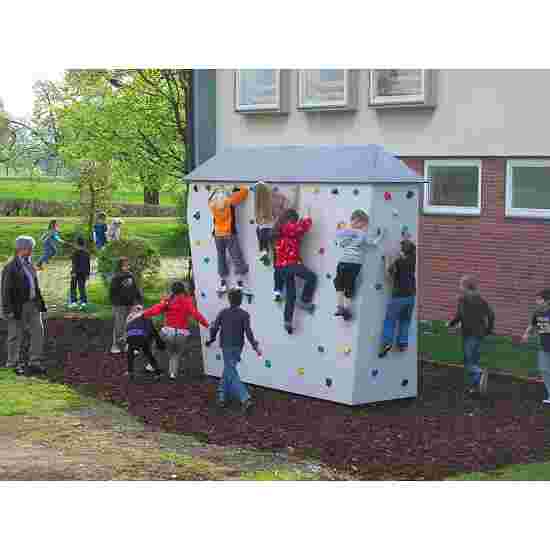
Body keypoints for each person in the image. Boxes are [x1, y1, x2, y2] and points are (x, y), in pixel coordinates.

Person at [205, 288, 261, 412]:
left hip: (226, 346)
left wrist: (211, 339)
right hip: (238, 347)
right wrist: (255, 346)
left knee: (230, 370)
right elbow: (249, 333)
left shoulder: (223, 312)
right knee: (229, 369)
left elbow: (214, 328)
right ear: (240, 300)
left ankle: (245, 398)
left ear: (229, 299)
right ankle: (222, 396)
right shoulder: (244, 314)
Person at [140, 281, 209, 380]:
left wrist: (143, 314)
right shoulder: (187, 301)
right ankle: (172, 374)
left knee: (155, 346)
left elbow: (156, 309)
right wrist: (206, 324)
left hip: (166, 332)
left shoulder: (168, 301)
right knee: (175, 354)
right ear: (183, 290)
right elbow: (196, 314)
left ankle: (150, 366)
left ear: (172, 290)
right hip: (181, 334)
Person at [1, 236, 47, 375]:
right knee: (15, 335)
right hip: (18, 306)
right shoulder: (10, 267)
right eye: (30, 248)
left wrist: (39, 302)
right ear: (22, 249)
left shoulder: (29, 263)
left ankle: (35, 361)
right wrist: (7, 309)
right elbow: (5, 290)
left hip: (33, 304)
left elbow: (34, 284)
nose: (32, 250)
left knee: (38, 331)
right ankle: (12, 363)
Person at [446, 274, 495, 396]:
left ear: (465, 286)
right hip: (480, 333)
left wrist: (451, 324)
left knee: (469, 361)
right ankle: (475, 388)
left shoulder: (463, 299)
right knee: (474, 359)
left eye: (460, 285)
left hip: (469, 333)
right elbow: (491, 315)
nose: (459, 287)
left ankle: (479, 373)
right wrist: (488, 330)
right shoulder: (481, 299)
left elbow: (460, 315)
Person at [334, 210, 385, 321]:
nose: (364, 226)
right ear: (359, 221)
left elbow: (341, 243)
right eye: (364, 223)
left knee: (343, 283)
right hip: (352, 263)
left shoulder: (355, 233)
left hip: (348, 262)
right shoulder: (356, 233)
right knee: (345, 283)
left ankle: (343, 307)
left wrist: (380, 235)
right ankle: (343, 308)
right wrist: (379, 236)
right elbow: (372, 243)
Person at [273, 208, 317, 334]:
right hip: (289, 264)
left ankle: (287, 321)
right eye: (294, 220)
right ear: (289, 220)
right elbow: (300, 229)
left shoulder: (281, 231)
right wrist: (307, 220)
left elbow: (296, 232)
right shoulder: (286, 227)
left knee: (291, 296)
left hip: (282, 267)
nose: (295, 223)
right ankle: (304, 300)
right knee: (311, 277)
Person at [378, 239, 417, 358]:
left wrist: (387, 260)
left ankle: (386, 343)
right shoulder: (413, 259)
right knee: (405, 320)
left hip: (398, 295)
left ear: (402, 251)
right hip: (410, 296)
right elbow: (410, 249)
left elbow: (388, 273)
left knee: (390, 320)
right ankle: (402, 343)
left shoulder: (399, 262)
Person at [208, 185, 249, 293]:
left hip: (217, 234)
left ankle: (223, 283)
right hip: (229, 232)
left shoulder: (212, 204)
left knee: (221, 257)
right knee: (236, 255)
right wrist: (233, 188)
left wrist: (216, 190)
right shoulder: (230, 201)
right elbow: (244, 191)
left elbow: (210, 197)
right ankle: (239, 283)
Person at [254, 181, 297, 266]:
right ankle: (277, 265)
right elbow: (289, 207)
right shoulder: (277, 197)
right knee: (276, 249)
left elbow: (257, 220)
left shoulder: (258, 202)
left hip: (262, 230)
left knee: (262, 242)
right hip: (273, 229)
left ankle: (263, 253)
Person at [521, 289, 550, 405]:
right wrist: (526, 334)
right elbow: (532, 325)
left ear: (547, 301)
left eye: (539, 299)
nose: (537, 301)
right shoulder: (537, 312)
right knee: (544, 370)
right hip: (543, 345)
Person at [109, 257, 143, 354]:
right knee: (119, 326)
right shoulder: (116, 277)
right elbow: (112, 292)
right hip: (120, 305)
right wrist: (115, 303)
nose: (127, 266)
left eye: (128, 265)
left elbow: (135, 289)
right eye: (125, 265)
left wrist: (139, 300)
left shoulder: (130, 276)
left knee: (130, 325)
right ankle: (115, 345)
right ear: (120, 266)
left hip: (130, 304)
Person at [125, 304, 164, 380]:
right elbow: (153, 332)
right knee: (148, 354)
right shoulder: (147, 319)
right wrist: (159, 342)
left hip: (131, 337)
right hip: (142, 337)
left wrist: (126, 340)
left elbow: (127, 329)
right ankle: (158, 372)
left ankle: (130, 371)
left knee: (130, 352)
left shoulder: (130, 318)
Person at [69, 236, 91, 310]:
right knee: (82, 287)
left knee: (73, 287)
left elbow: (74, 264)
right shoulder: (87, 253)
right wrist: (88, 274)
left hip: (76, 273)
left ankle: (73, 302)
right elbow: (88, 264)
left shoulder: (75, 253)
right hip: (84, 273)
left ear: (76, 244)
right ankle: (83, 302)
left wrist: (73, 272)